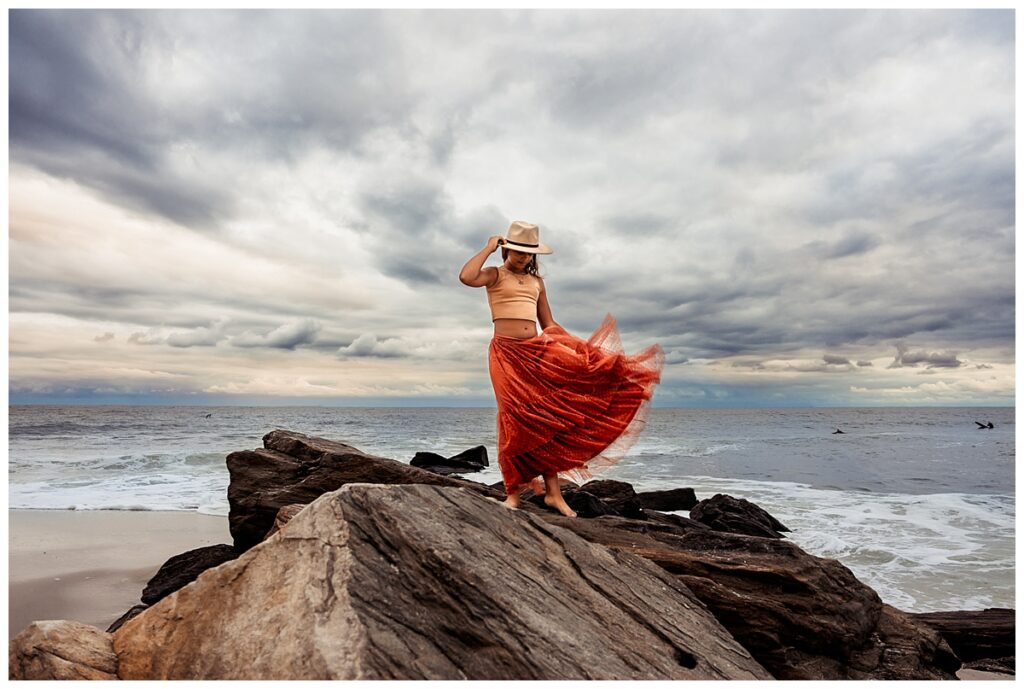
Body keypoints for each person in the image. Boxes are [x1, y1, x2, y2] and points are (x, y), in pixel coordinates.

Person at [459, 221, 665, 518]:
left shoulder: (537, 283)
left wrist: (577, 349)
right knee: (514, 417)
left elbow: (549, 323)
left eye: (529, 254)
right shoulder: (494, 274)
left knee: (545, 421)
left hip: (538, 352)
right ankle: (513, 494)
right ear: (507, 249)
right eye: (518, 252)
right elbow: (466, 277)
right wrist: (489, 247)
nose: (524, 258)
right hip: (505, 353)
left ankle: (553, 494)